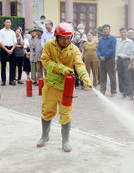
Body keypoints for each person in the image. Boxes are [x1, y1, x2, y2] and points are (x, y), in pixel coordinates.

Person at [37, 22, 92, 152]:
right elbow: (45, 61)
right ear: (57, 36)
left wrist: (85, 77)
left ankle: (65, 141)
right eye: (62, 38)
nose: (65, 41)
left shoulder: (74, 50)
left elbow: (79, 64)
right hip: (50, 86)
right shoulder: (48, 45)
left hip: (66, 89)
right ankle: (45, 136)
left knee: (66, 114)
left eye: (68, 38)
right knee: (46, 111)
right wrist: (61, 68)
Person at [97, 24, 117, 96]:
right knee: (102, 77)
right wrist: (99, 56)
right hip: (102, 61)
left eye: (107, 29)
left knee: (112, 77)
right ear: (102, 31)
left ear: (109, 30)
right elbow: (98, 49)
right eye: (104, 29)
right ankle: (102, 92)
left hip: (110, 60)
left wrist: (104, 56)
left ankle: (113, 92)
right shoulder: (100, 39)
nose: (105, 30)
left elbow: (113, 49)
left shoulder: (113, 38)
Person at [115, 27, 134, 100]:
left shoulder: (130, 42)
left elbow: (132, 53)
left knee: (127, 78)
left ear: (126, 33)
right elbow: (116, 54)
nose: (123, 33)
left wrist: (131, 63)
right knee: (120, 77)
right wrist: (116, 64)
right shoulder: (118, 42)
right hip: (119, 61)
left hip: (127, 61)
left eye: (124, 32)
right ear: (120, 33)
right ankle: (123, 93)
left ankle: (130, 94)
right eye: (121, 32)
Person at [0, 18, 17, 86]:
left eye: (9, 22)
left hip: (12, 49)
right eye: (7, 22)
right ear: (4, 23)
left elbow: (15, 41)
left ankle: (11, 80)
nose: (8, 23)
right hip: (4, 49)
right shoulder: (1, 31)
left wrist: (11, 49)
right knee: (3, 65)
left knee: (12, 65)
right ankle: (3, 80)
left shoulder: (12, 32)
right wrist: (6, 50)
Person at [127, 28, 134, 96]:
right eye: (129, 33)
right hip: (127, 61)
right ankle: (129, 90)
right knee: (128, 76)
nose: (130, 34)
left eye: (132, 33)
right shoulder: (126, 41)